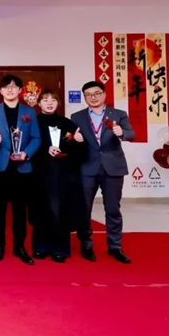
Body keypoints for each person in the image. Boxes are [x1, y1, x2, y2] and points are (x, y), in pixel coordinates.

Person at [71, 80, 135, 264]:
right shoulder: (77, 117)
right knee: (84, 209)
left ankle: (115, 246)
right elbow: (71, 141)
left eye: (97, 93)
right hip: (87, 167)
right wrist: (75, 139)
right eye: (88, 95)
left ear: (104, 94)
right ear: (84, 97)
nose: (93, 97)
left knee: (113, 209)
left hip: (113, 167)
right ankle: (86, 244)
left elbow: (131, 134)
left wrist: (121, 132)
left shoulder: (119, 114)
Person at [0, 74, 41, 265]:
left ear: (20, 90)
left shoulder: (29, 112)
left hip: (21, 166)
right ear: (1, 91)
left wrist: (26, 153)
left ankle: (19, 247)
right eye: (6, 87)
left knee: (20, 209)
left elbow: (36, 138)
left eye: (14, 87)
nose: (10, 90)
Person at [30, 90, 85, 263]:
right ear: (38, 103)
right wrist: (45, 149)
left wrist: (79, 141)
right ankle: (40, 246)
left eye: (53, 100)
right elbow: (26, 145)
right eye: (45, 100)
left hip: (63, 174)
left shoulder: (66, 123)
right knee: (41, 208)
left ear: (58, 103)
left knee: (61, 210)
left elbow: (79, 152)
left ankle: (60, 248)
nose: (49, 103)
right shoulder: (32, 122)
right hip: (40, 172)